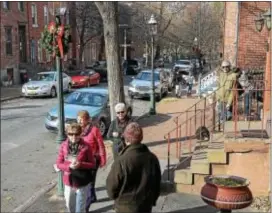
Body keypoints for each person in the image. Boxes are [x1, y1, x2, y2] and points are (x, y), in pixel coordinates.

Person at [106, 122, 161, 213]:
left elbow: (111, 189)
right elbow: (157, 184)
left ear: (126, 139)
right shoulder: (152, 158)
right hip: (145, 205)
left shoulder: (121, 161)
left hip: (125, 207)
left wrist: (117, 199)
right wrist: (152, 201)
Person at [56, 123, 95, 213]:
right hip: (69, 181)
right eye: (71, 134)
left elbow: (92, 164)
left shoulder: (86, 146)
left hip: (82, 181)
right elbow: (58, 163)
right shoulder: (63, 146)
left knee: (80, 209)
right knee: (70, 207)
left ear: (80, 134)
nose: (74, 137)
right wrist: (68, 166)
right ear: (67, 134)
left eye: (76, 134)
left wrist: (80, 164)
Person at [77, 110, 106, 211]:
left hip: (93, 159)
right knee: (89, 182)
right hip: (82, 160)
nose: (80, 121)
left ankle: (86, 207)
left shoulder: (94, 130)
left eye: (81, 119)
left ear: (87, 119)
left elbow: (101, 145)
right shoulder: (78, 130)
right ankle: (93, 197)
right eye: (78, 119)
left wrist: (103, 159)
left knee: (89, 182)